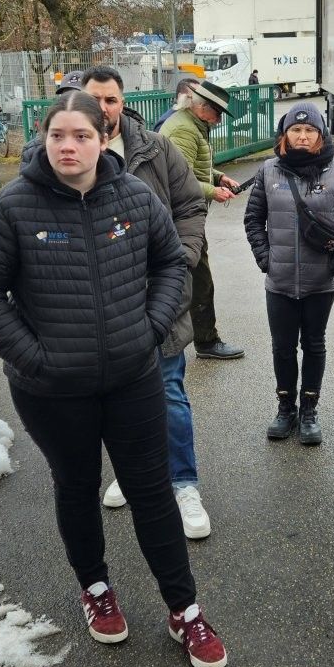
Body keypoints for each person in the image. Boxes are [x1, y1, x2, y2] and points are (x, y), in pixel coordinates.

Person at [0, 91, 228, 667]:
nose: (69, 146)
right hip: (50, 389)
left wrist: (150, 329)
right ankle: (95, 588)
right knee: (76, 487)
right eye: (57, 135)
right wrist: (33, 357)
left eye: (81, 135)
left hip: (131, 376)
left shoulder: (135, 197)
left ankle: (184, 609)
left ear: (103, 137)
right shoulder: (11, 208)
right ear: (43, 139)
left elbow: (170, 264)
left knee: (152, 490)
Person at [81, 66, 214, 539]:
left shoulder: (156, 150)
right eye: (93, 98)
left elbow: (190, 206)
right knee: (117, 400)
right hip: (101, 308)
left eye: (111, 100)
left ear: (123, 102)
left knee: (168, 392)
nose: (102, 109)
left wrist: (182, 258)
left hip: (158, 298)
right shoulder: (65, 151)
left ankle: (183, 483)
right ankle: (134, 470)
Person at [244, 104, 334, 444]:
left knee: (315, 344)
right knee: (283, 347)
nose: (302, 136)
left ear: (320, 135)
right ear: (285, 135)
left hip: (322, 280)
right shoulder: (268, 171)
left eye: (310, 131)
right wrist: (266, 259)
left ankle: (309, 411)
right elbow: (253, 219)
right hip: (279, 280)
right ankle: (285, 407)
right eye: (295, 130)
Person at [161, 79, 246, 360]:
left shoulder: (191, 125)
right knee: (199, 280)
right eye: (218, 113)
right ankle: (206, 342)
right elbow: (177, 180)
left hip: (184, 216)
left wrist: (219, 177)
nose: (220, 119)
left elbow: (194, 166)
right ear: (201, 107)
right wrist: (213, 190)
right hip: (181, 218)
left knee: (196, 278)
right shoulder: (184, 129)